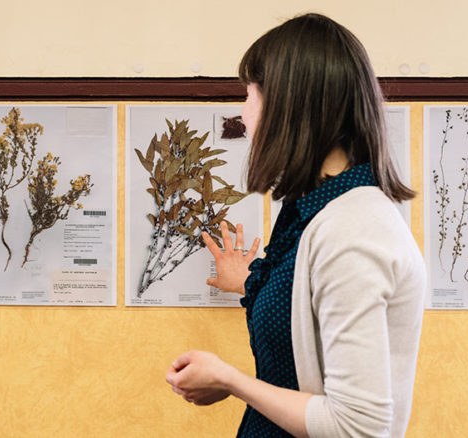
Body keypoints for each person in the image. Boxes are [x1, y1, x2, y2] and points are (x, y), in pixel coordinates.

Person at [164, 13, 425, 438]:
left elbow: (357, 427)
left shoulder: (353, 232)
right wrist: (250, 283)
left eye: (250, 96)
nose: (243, 115)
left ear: (287, 105)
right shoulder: (317, 213)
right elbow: (308, 318)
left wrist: (230, 380)